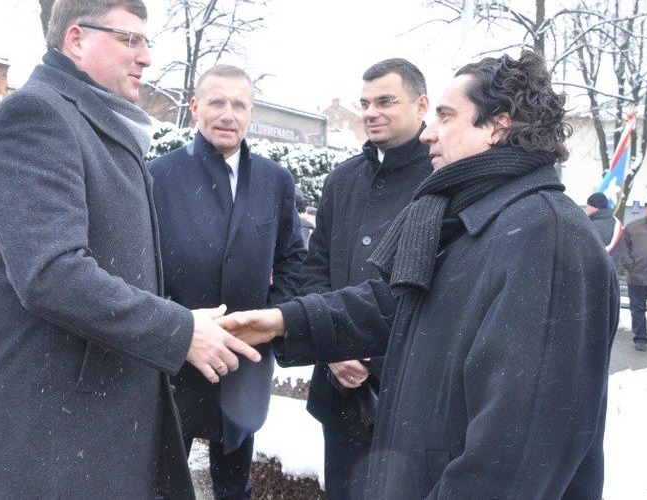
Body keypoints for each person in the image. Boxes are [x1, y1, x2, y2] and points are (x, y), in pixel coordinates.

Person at [219, 50, 618, 499]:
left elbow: (514, 458)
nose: (430, 132)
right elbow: (398, 305)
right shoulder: (473, 218)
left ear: (498, 126)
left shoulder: (548, 239)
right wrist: (285, 321)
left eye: (446, 117)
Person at [0, 1, 260, 498]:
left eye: (146, 41)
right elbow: (52, 274)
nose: (146, 56)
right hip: (56, 430)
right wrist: (179, 330)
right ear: (76, 39)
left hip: (92, 418)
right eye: (129, 40)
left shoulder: (93, 122)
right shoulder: (35, 116)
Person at [148, 64, 306, 499]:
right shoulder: (158, 176)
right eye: (217, 102)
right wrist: (172, 326)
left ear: (251, 113)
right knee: (163, 483)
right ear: (195, 107)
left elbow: (293, 257)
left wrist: (270, 319)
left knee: (235, 485)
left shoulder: (275, 181)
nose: (227, 114)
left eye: (239, 105)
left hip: (244, 357)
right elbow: (140, 265)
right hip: (176, 355)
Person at [295, 58, 432, 499]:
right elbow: (315, 269)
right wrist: (332, 345)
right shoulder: (342, 180)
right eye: (365, 103)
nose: (371, 112)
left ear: (421, 105)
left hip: (414, 396)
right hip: (343, 395)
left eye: (385, 101)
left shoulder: (443, 178)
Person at [621, 198, 647, 352]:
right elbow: (624, 249)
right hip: (637, 277)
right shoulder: (633, 227)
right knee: (638, 309)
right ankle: (640, 338)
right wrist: (631, 266)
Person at [585, 192, 623, 267]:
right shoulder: (617, 224)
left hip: (593, 269)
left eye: (588, 205)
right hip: (612, 269)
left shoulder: (591, 226)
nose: (586, 208)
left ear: (594, 207)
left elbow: (584, 250)